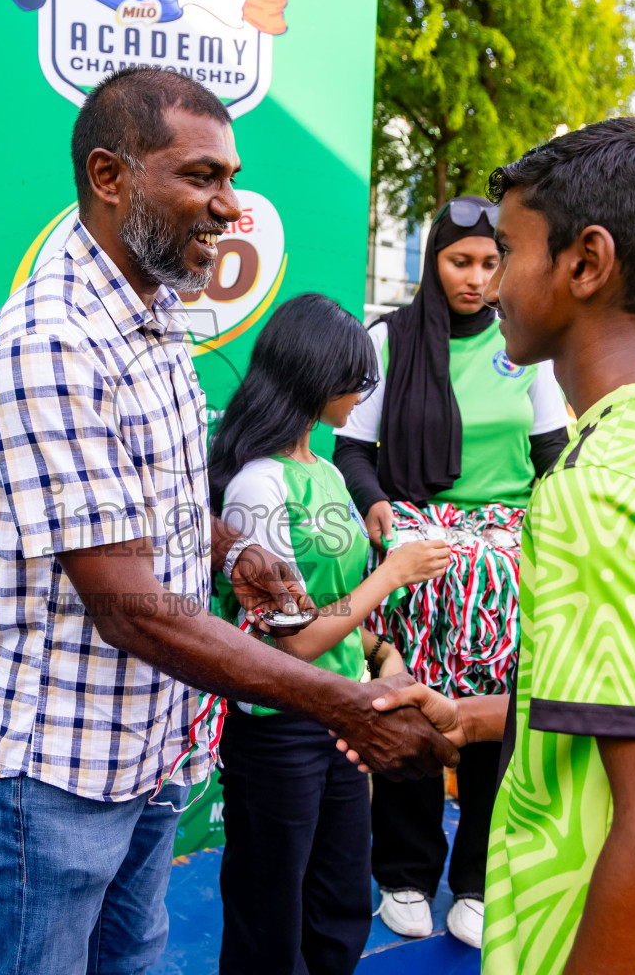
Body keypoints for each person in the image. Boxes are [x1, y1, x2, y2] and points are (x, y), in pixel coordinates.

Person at [0, 66, 456, 975]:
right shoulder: (52, 341)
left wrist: (231, 547)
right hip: (53, 767)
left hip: (143, 751)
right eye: (202, 176)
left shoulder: (155, 311)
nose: (231, 205)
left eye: (232, 177)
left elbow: (149, 501)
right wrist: (345, 700)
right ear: (111, 177)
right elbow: (129, 606)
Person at [344, 117, 635, 974]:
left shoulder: (596, 485)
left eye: (507, 251)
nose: (490, 281)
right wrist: (472, 719)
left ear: (585, 263)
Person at [333, 196, 569, 945]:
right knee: (409, 701)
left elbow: (553, 456)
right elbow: (352, 452)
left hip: (503, 552)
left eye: (490, 263)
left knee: (497, 717)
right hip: (415, 544)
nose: (475, 278)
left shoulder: (523, 347)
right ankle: (404, 873)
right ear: (433, 262)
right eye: (459, 261)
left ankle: (475, 879)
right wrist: (377, 510)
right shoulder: (389, 340)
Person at [209, 293, 453, 975]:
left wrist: (381, 650)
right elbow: (292, 643)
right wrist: (394, 574)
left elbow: (334, 609)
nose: (360, 396)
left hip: (343, 710)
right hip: (280, 718)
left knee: (341, 892)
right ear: (314, 379)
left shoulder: (327, 473)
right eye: (355, 380)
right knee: (270, 901)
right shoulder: (259, 484)